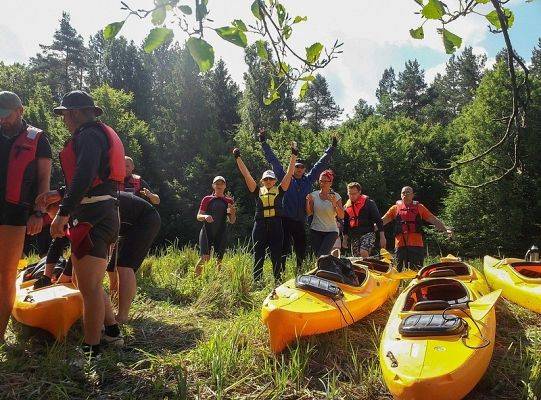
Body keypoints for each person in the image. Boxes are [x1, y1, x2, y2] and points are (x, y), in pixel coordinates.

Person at [36, 90, 125, 357]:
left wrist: (62, 212)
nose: (63, 120)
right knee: (86, 281)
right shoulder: (94, 135)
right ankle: (111, 332)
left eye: (64, 115)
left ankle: (91, 350)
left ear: (73, 113)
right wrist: (61, 193)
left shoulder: (88, 135)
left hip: (95, 215)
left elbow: (85, 175)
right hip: (101, 212)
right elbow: (91, 177)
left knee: (88, 287)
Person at [0, 91, 52, 343]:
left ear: (20, 111)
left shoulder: (38, 138)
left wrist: (39, 212)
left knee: (6, 274)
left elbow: (44, 180)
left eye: (6, 115)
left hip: (15, 214)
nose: (2, 121)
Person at [259, 130, 337, 273]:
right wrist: (264, 143)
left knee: (301, 248)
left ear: (304, 169)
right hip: (285, 220)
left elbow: (321, 164)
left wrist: (332, 147)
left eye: (302, 167)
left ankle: (300, 271)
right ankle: (280, 273)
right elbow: (274, 161)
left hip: (301, 220)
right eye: (297, 166)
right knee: (284, 248)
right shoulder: (285, 178)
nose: (299, 169)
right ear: (293, 167)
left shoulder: (308, 180)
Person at [233, 144, 297, 283]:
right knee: (258, 254)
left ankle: (278, 281)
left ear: (274, 180)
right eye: (266, 179)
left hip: (276, 225)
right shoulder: (257, 190)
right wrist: (238, 157)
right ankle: (257, 281)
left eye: (271, 179)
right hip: (260, 225)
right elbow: (246, 174)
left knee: (276, 254)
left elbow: (289, 173)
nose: (268, 181)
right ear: (262, 181)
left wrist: (294, 155)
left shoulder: (280, 190)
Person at [107, 191, 161, 323]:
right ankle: (113, 303)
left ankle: (122, 315)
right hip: (128, 225)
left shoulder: (101, 202)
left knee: (124, 266)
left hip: (146, 220)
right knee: (111, 266)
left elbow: (106, 235)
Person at [382, 186, 452, 270]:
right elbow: (382, 221)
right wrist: (369, 228)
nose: (405, 194)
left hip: (416, 244)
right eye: (403, 193)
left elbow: (433, 219)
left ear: (412, 195)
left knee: (416, 269)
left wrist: (445, 229)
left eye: (408, 192)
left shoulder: (419, 207)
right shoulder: (395, 208)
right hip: (400, 245)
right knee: (400, 269)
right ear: (400, 195)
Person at [195, 176, 236, 276]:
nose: (219, 186)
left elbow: (232, 221)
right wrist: (205, 216)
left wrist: (233, 212)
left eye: (221, 184)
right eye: (217, 183)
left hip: (221, 232)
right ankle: (195, 281)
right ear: (213, 185)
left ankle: (216, 283)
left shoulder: (229, 201)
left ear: (225, 186)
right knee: (205, 258)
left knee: (219, 260)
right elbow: (198, 216)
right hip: (207, 231)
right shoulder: (207, 199)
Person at [306, 170, 344, 257]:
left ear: (330, 182)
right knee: (318, 256)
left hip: (331, 231)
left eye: (325, 181)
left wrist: (334, 203)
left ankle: (330, 266)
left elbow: (341, 215)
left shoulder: (336, 196)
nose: (322, 183)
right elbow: (309, 213)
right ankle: (329, 266)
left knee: (322, 255)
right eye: (320, 181)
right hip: (316, 230)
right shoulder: (314, 195)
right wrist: (307, 202)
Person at [342, 182, 386, 258]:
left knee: (363, 251)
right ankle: (370, 263)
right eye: (350, 194)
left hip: (368, 233)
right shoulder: (346, 206)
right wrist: (345, 239)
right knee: (357, 258)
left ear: (359, 192)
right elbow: (346, 224)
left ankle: (369, 267)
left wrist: (382, 236)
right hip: (354, 235)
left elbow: (378, 220)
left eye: (354, 193)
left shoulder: (369, 203)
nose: (351, 196)